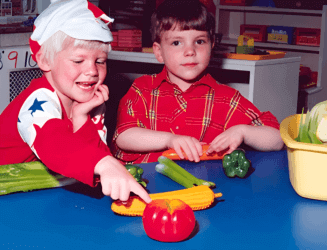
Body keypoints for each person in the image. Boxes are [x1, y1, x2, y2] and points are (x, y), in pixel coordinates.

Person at [0, 0, 151, 204]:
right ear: (45, 60)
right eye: (78, 61)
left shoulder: (89, 100)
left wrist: (82, 117)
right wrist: (105, 163)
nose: (92, 71)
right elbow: (53, 144)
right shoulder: (37, 99)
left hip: (38, 190)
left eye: (100, 61)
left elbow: (93, 157)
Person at [112, 0, 284, 164]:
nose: (190, 51)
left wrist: (243, 131)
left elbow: (276, 139)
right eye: (177, 42)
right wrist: (170, 140)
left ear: (212, 45)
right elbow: (124, 136)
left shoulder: (226, 98)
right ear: (158, 52)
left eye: (199, 41)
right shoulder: (143, 89)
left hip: (201, 185)